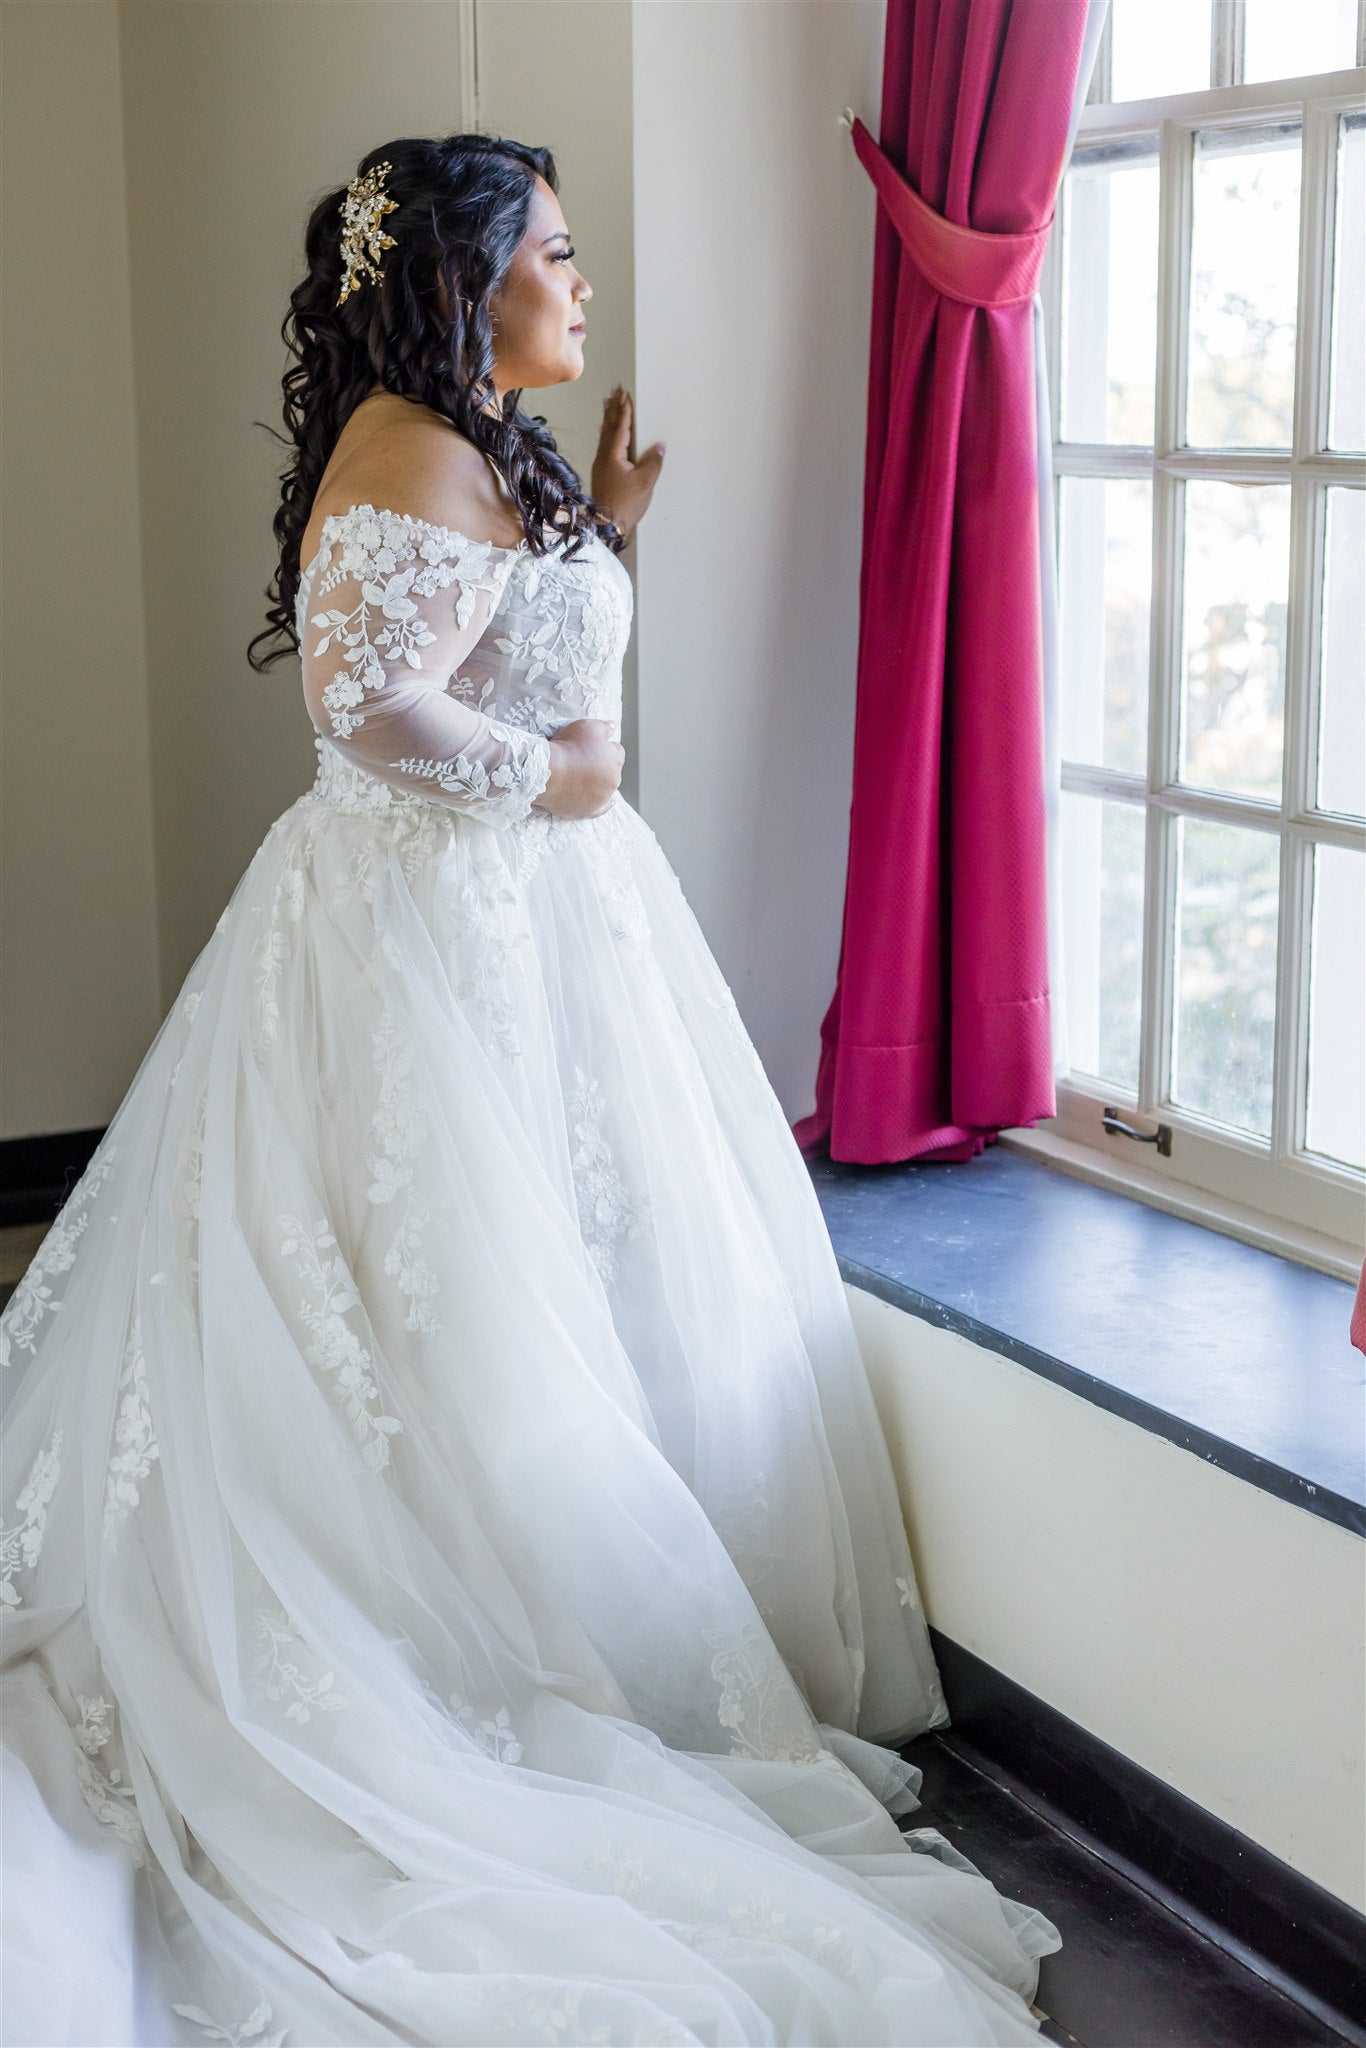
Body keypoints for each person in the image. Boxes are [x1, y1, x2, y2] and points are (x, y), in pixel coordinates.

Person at [0, 133, 1062, 2046]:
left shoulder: (488, 443)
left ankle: (607, 1622)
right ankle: (471, 1643)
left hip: (554, 927)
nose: (584, 284)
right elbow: (359, 705)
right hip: (429, 931)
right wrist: (554, 784)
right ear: (468, 278)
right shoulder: (407, 446)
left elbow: (492, 643)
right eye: (556, 255)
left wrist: (617, 533)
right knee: (449, 1301)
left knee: (580, 1273)